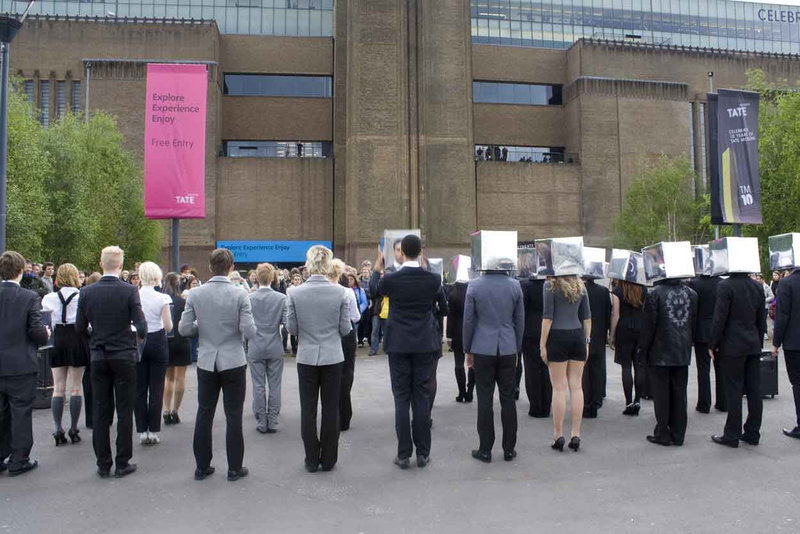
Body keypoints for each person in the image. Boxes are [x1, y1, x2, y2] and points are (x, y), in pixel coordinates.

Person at [179, 248, 257, 482]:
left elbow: (184, 329)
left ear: (210, 267)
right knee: (234, 415)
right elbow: (249, 331)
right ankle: (234, 467)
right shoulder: (240, 295)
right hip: (233, 359)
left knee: (205, 413)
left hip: (207, 359)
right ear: (232, 267)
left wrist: (202, 327)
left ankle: (202, 466)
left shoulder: (195, 294)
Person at [370, 235, 442, 469]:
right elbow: (443, 305)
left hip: (398, 343)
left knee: (401, 397)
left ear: (401, 253)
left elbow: (373, 292)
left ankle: (403, 454)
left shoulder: (391, 279)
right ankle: (423, 452)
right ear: (421, 252)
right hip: (423, 343)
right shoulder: (433, 279)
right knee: (421, 396)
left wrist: (377, 269)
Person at [76, 246, 147, 478]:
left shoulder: (86, 292)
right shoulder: (129, 291)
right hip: (123, 355)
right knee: (125, 409)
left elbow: (79, 327)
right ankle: (122, 461)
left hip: (98, 354)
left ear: (101, 263)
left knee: (100, 410)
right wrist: (133, 335)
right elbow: (142, 326)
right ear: (121, 265)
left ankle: (103, 463)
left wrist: (95, 337)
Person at [286, 246, 352, 472]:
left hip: (306, 356)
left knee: (308, 409)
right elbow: (345, 329)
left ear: (309, 263)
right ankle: (330, 458)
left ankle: (311, 459)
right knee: (331, 408)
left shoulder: (294, 293)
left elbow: (292, 328)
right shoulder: (341, 292)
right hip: (333, 355)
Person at [463, 269, 524, 463]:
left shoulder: (474, 285)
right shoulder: (515, 285)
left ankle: (485, 449)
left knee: (485, 399)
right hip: (507, 346)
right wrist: (517, 348)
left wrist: (467, 348)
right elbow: (519, 320)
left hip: (482, 346)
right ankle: (509, 448)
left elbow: (469, 320)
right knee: (508, 398)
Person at [0, 251, 50, 476]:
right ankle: (19, 458)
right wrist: (46, 333)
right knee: (20, 412)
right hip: (20, 363)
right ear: (21, 271)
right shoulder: (29, 297)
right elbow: (36, 331)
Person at [639, 276, 697, 447]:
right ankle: (679, 434)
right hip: (682, 350)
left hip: (660, 350)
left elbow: (649, 326)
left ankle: (663, 432)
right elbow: (692, 323)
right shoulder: (692, 294)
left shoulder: (655, 293)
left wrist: (643, 350)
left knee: (662, 394)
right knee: (680, 393)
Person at [709, 271, 766, 447]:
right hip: (752, 343)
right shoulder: (757, 286)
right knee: (754, 390)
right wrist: (759, 341)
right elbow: (761, 318)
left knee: (734, 390)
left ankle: (732, 434)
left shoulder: (725, 286)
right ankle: (752, 432)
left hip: (733, 345)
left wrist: (713, 343)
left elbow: (720, 318)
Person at [541, 275, 591, 452]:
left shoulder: (550, 286)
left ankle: (558, 435)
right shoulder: (580, 286)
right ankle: (576, 434)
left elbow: (548, 318)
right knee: (577, 387)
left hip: (557, 336)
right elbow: (587, 318)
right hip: (577, 335)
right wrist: (587, 342)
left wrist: (542, 345)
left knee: (559, 388)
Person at [42, 263, 90, 446]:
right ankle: (74, 427)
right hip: (77, 337)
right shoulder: (81, 296)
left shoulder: (48, 297)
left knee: (58, 387)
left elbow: (47, 321)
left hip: (58, 338)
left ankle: (57, 427)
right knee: (76, 387)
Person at [135, 262, 172, 446]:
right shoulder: (162, 298)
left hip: (138, 340)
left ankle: (142, 430)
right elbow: (168, 326)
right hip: (158, 340)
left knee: (140, 388)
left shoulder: (133, 295)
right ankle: (154, 430)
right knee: (156, 388)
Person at [247, 262, 287, 434]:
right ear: (272, 278)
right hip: (274, 344)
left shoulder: (249, 298)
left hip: (255, 344)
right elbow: (287, 324)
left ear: (257, 276)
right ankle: (273, 420)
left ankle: (261, 420)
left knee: (258, 385)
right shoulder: (281, 298)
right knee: (275, 384)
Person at [690, 272, 725, 413]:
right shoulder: (722, 283)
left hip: (702, 330)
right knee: (721, 368)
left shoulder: (695, 283)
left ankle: (704, 403)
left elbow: (693, 310)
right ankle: (723, 402)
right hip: (720, 330)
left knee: (703, 369)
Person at [610, 280, 647, 415]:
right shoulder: (643, 289)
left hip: (624, 330)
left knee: (626, 367)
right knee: (639, 366)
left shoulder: (617, 290)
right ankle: (637, 401)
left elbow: (616, 314)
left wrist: (612, 335)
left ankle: (629, 402)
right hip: (641, 329)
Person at [772, 267, 800, 440]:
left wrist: (776, 343)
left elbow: (782, 315)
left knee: (798, 384)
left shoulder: (787, 283)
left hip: (794, 342)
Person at [162, 272, 191, 426]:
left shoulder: (162, 299)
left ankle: (166, 409)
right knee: (181, 377)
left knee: (169, 378)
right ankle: (175, 410)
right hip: (182, 340)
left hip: (167, 340)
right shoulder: (182, 301)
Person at [336, 261, 361, 432]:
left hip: (331, 336)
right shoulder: (348, 292)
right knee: (346, 375)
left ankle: (334, 414)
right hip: (346, 335)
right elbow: (356, 316)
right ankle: (345, 415)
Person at [519, 274, 549, 417]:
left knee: (532, 370)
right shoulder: (550, 284)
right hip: (547, 330)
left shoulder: (525, 285)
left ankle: (535, 406)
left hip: (530, 331)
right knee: (547, 369)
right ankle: (546, 405)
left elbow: (521, 310)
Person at [583, 276, 610, 418]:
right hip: (599, 333)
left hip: (584, 333)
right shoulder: (604, 291)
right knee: (598, 368)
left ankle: (586, 402)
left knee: (584, 370)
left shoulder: (580, 290)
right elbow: (607, 314)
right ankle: (597, 399)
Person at [447, 279, 474, 403]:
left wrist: (448, 335)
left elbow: (450, 316)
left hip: (457, 331)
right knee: (472, 363)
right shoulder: (473, 291)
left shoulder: (453, 294)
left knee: (458, 363)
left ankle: (461, 392)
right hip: (472, 331)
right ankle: (470, 392)